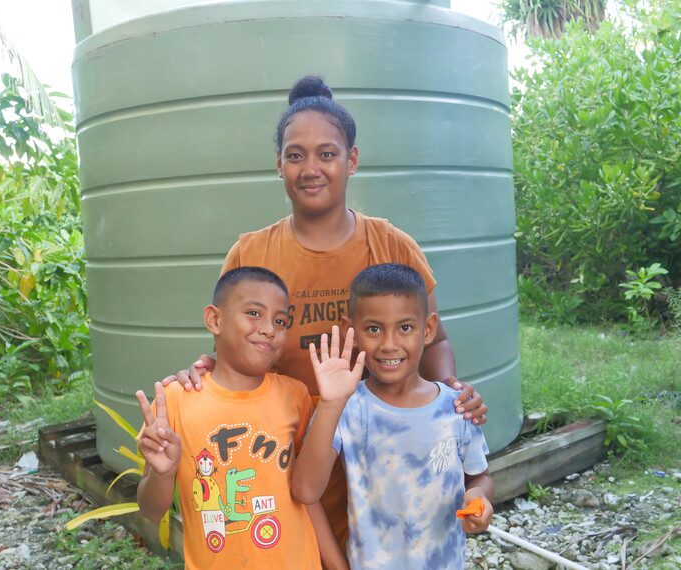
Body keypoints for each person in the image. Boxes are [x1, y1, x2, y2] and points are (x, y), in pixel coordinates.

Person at [161, 74, 489, 564]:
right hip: (284, 479)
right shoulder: (253, 252)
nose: (310, 168)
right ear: (279, 165)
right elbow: (232, 344)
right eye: (295, 155)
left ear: (351, 160)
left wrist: (451, 397)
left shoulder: (391, 245)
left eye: (327, 154)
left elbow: (435, 338)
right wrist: (201, 373)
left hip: (382, 476)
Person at [291, 264, 494, 569]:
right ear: (352, 331)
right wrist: (331, 403)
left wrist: (479, 497)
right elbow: (305, 490)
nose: (389, 344)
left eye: (405, 327)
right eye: (373, 329)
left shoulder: (456, 407)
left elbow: (480, 476)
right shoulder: (348, 409)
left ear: (428, 329)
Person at [136, 267, 322, 569]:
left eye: (280, 321)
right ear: (215, 320)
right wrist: (162, 473)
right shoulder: (174, 399)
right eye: (253, 313)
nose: (268, 329)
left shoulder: (295, 395)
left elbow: (306, 494)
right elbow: (151, 511)